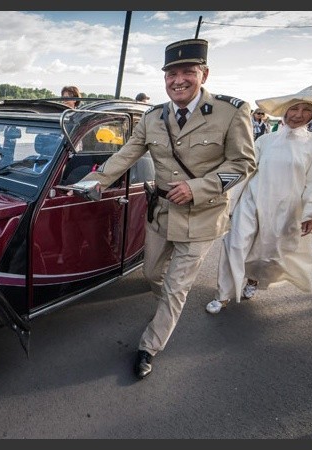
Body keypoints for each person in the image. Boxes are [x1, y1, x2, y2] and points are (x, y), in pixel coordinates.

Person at [83, 38, 257, 380]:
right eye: (171, 74)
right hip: (161, 213)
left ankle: (150, 345)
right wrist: (95, 181)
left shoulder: (231, 112)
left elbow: (243, 164)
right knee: (151, 274)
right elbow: (127, 153)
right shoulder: (152, 117)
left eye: (187, 72)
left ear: (204, 74)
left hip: (203, 215)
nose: (178, 80)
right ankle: (168, 305)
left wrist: (197, 188)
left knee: (177, 287)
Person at [206, 85, 312, 315]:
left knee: (267, 253)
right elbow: (246, 171)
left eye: (306, 110)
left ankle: (253, 279)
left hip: (288, 209)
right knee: (234, 245)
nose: (299, 114)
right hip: (252, 201)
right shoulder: (265, 140)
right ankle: (223, 294)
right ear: (285, 110)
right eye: (294, 108)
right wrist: (230, 203)